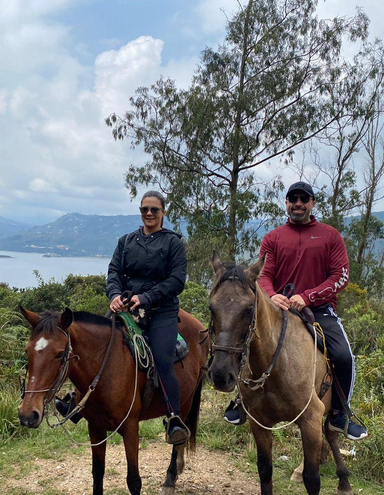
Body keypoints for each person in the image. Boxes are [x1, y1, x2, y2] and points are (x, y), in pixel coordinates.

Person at [224, 181, 368, 441]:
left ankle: (340, 414)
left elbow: (341, 276)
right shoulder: (273, 238)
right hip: (278, 309)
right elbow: (263, 274)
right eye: (293, 199)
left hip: (318, 310)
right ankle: (241, 401)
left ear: (312, 204)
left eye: (304, 199)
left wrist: (308, 296)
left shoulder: (330, 236)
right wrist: (272, 295)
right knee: (244, 343)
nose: (298, 203)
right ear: (287, 203)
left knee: (343, 356)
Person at [105, 190, 190, 445]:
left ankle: (174, 417)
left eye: (154, 209)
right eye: (145, 210)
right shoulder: (126, 241)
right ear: (140, 212)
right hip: (127, 308)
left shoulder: (173, 243)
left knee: (163, 359)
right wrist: (115, 294)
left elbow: (177, 281)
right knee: (97, 346)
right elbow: (113, 272)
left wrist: (148, 297)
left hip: (161, 311)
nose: (149, 214)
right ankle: (78, 402)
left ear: (164, 212)